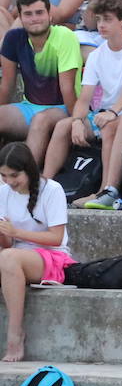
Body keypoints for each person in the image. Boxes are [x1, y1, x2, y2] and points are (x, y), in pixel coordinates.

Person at [41, 0, 122, 208]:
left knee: (111, 124)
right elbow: (84, 98)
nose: (101, 25)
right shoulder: (96, 55)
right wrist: (77, 120)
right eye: (99, 19)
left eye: (108, 19)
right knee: (63, 126)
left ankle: (106, 190)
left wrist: (113, 111)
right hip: (109, 112)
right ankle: (44, 189)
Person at [0, 142, 72, 363]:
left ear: (28, 170)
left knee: (9, 257)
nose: (10, 182)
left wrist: (16, 232)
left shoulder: (52, 190)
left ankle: (15, 334)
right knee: (8, 256)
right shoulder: (3, 192)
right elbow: (7, 242)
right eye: (3, 176)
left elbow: (56, 238)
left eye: (14, 175)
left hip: (53, 258)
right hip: (15, 255)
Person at [0, 0, 81, 165]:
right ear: (20, 18)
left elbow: (67, 88)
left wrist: (77, 121)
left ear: (50, 15)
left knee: (41, 120)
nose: (34, 18)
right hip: (29, 107)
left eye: (39, 12)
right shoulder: (13, 38)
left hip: (64, 108)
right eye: (28, 14)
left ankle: (26, 178)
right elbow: (7, 84)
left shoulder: (64, 36)